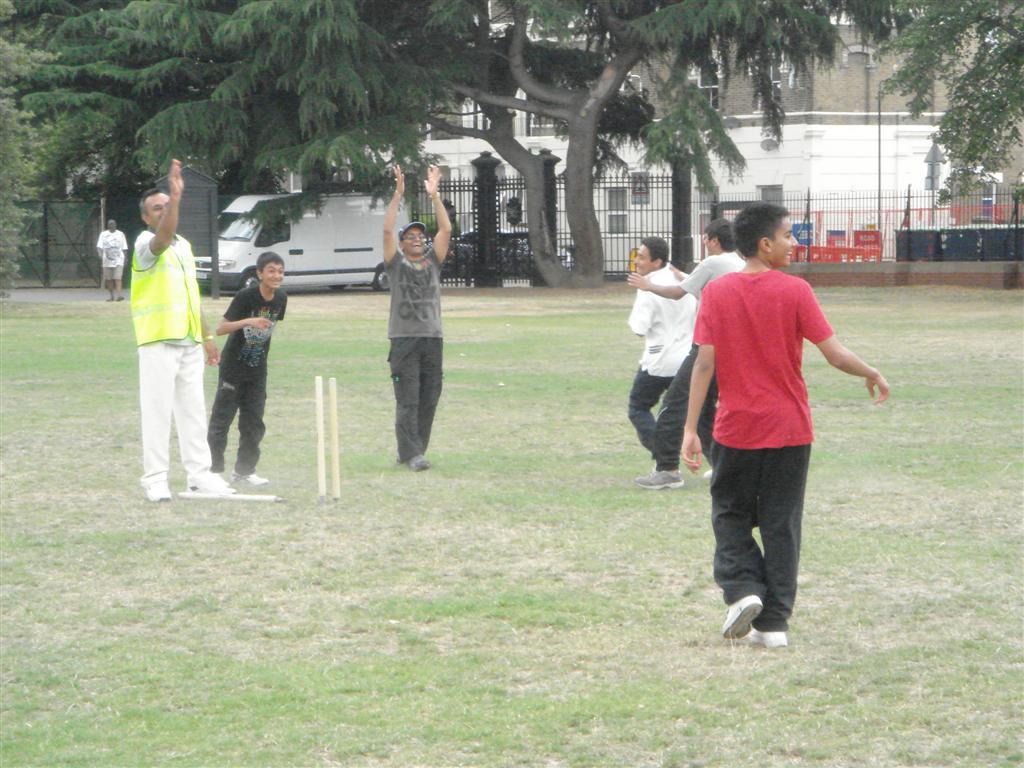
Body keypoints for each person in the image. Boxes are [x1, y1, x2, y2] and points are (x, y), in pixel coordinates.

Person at [681, 202, 889, 649]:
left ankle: (743, 589)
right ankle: (773, 624)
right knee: (781, 523)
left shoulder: (717, 293)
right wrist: (870, 371)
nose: (794, 243)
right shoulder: (796, 291)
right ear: (765, 243)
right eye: (788, 235)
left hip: (736, 430)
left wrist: (690, 428)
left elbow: (704, 364)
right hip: (790, 429)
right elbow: (834, 354)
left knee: (730, 514)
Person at [130, 159, 235, 501]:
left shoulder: (185, 247)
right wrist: (175, 198)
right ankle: (155, 478)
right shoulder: (145, 243)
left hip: (188, 340)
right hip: (158, 339)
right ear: (146, 218)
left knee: (193, 411)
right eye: (157, 208)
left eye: (167, 204)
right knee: (157, 411)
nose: (163, 211)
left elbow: (192, 296)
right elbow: (162, 239)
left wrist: (207, 337)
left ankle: (199, 475)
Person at [627, 219, 744, 489]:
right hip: (732, 348)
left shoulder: (712, 263)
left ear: (715, 240)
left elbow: (677, 294)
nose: (704, 242)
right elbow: (706, 294)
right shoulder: (738, 264)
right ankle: (723, 466)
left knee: (673, 404)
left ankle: (667, 469)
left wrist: (648, 286)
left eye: (706, 237)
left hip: (707, 346)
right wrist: (685, 277)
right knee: (706, 410)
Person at [382, 164, 452, 471]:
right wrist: (398, 195)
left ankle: (413, 450)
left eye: (420, 236)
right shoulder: (395, 263)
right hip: (404, 340)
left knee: (429, 397)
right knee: (408, 398)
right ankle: (412, 454)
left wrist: (435, 196)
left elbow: (445, 230)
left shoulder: (433, 261)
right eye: (410, 236)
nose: (417, 239)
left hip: (432, 338)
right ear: (401, 244)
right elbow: (387, 230)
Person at [206, 252, 287, 487]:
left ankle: (244, 471)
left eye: (280, 271)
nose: (277, 276)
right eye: (271, 271)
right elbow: (221, 328)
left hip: (258, 370)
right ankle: (212, 472)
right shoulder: (245, 296)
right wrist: (249, 321)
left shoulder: (281, 298)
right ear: (260, 273)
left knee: (253, 422)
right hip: (233, 368)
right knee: (222, 420)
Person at [626, 237, 696, 474]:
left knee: (638, 406)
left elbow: (639, 328)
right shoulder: (681, 279)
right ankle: (718, 462)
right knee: (694, 414)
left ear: (657, 262)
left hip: (660, 361)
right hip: (687, 360)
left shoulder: (648, 287)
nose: (637, 261)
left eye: (642, 257)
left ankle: (665, 456)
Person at [97, 218, 128, 301]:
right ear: (107, 225)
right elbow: (99, 247)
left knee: (118, 278)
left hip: (118, 260)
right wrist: (100, 255)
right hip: (107, 261)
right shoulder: (103, 235)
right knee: (109, 279)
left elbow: (124, 247)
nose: (112, 225)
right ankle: (111, 296)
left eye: (113, 224)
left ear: (116, 225)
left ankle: (119, 296)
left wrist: (125, 259)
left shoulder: (120, 234)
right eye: (110, 224)